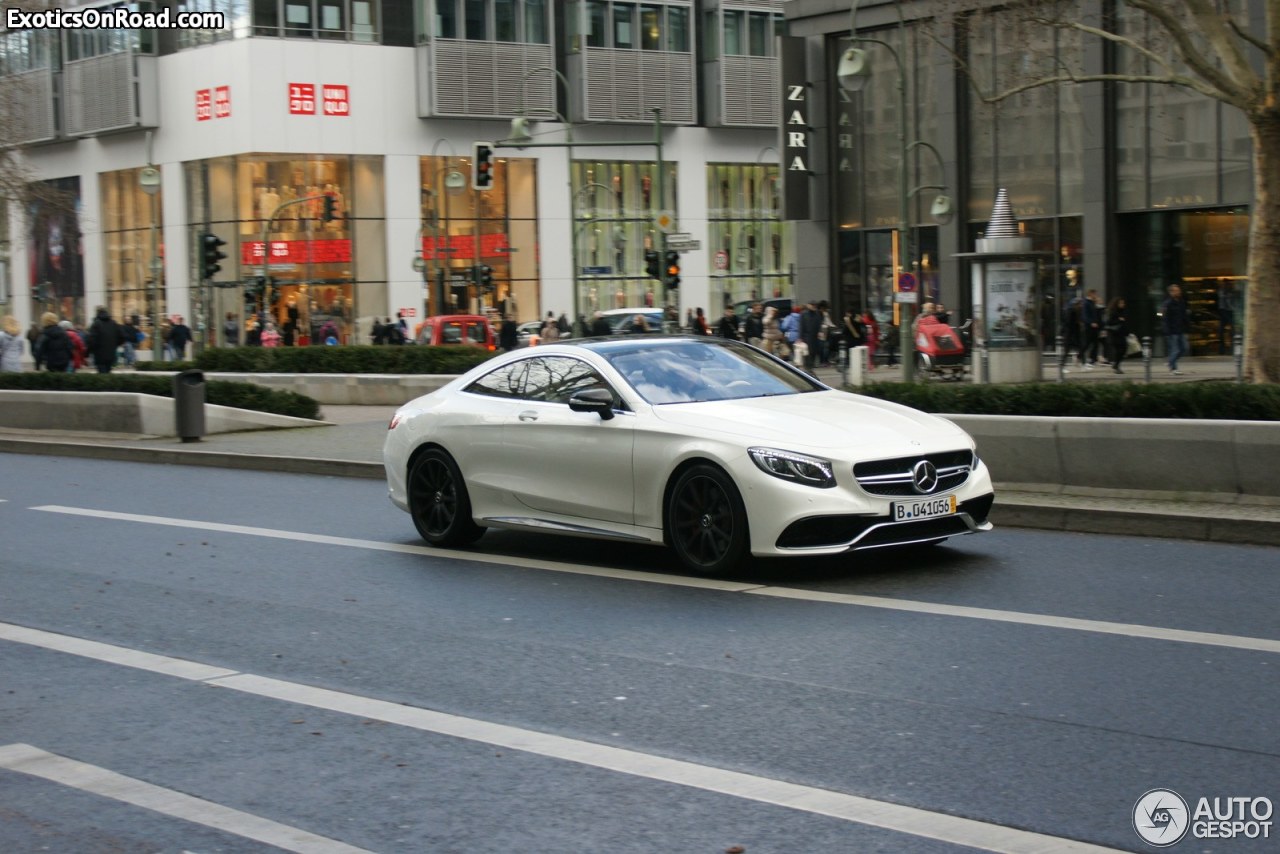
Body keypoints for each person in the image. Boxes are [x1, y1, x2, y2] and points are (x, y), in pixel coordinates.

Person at [85, 306, 125, 373]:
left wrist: (87, 353)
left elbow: (91, 340)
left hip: (99, 354)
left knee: (102, 373)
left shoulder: (96, 324)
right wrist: (115, 344)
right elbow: (122, 336)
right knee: (108, 371)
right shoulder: (113, 323)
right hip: (111, 353)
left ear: (97, 313)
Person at [1162, 283, 1191, 375]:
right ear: (1171, 292)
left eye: (1178, 290)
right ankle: (1173, 368)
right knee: (1175, 350)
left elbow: (1184, 316)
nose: (1178, 292)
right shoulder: (1168, 304)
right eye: (1176, 291)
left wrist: (1188, 326)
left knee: (1184, 348)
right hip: (1172, 331)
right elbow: (1165, 318)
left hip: (1180, 329)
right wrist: (1167, 331)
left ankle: (1171, 362)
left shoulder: (1181, 302)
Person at [1104, 296, 1129, 374]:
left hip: (1121, 333)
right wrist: (1118, 320)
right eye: (1120, 303)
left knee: (1123, 349)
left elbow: (1125, 323)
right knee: (1119, 350)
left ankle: (1116, 364)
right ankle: (1116, 365)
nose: (1122, 304)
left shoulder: (1123, 311)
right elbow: (1109, 322)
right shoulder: (1113, 312)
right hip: (1114, 334)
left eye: (1123, 303)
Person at [1080, 289, 1102, 367]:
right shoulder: (1086, 303)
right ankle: (1080, 355)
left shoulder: (1092, 303)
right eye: (1094, 294)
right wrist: (1091, 322)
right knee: (1087, 343)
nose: (1096, 296)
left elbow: (1097, 314)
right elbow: (1085, 316)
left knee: (1095, 343)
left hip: (1095, 326)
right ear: (1090, 294)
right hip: (1089, 327)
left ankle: (1093, 359)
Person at [799, 301, 823, 371]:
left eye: (814, 305)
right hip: (806, 336)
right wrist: (800, 337)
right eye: (811, 305)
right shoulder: (804, 314)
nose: (813, 307)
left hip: (815, 336)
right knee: (807, 352)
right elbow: (801, 326)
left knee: (813, 352)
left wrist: (820, 332)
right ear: (808, 305)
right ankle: (807, 367)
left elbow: (819, 324)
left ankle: (810, 367)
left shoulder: (817, 314)